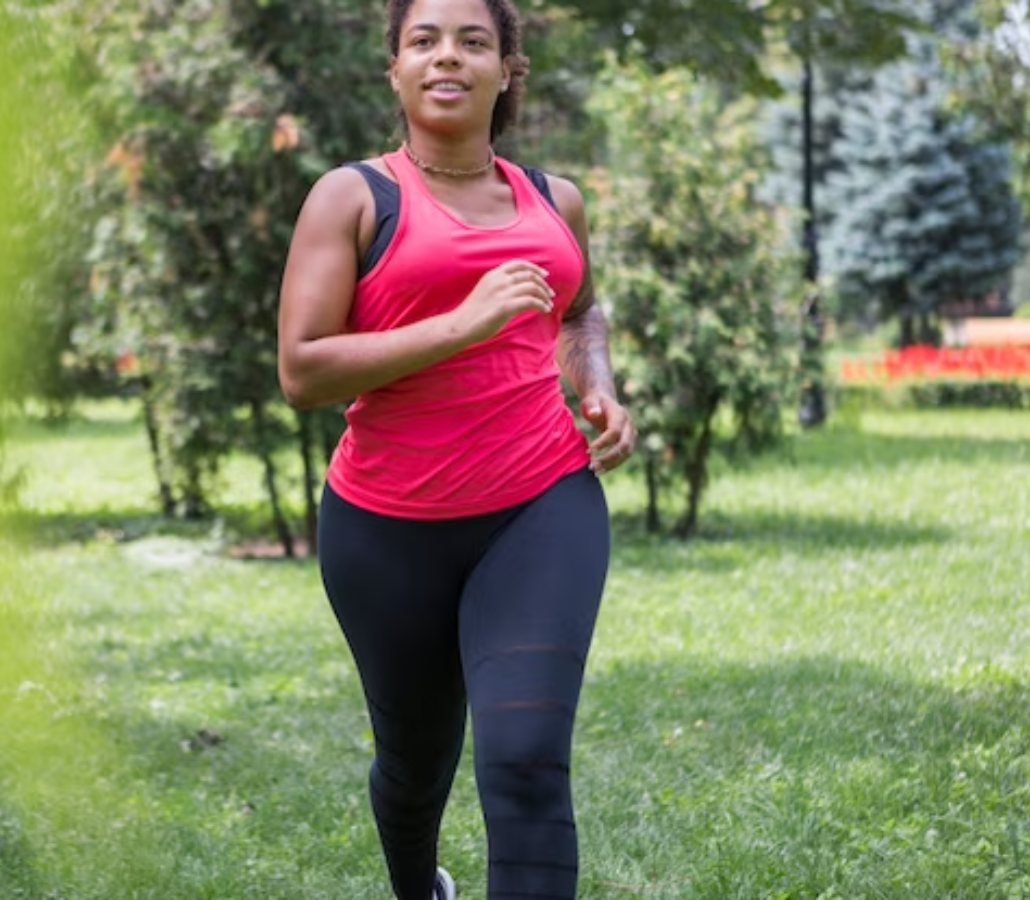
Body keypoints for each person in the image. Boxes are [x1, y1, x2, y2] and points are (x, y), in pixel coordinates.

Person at [276, 0, 636, 897]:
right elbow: (303, 371)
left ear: (507, 68)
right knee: (414, 768)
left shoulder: (555, 202)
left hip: (540, 502)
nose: (449, 56)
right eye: (423, 40)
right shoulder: (354, 196)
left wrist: (596, 381)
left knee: (524, 762)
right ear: (394, 69)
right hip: (387, 527)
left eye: (474, 40)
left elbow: (579, 309)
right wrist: (461, 324)